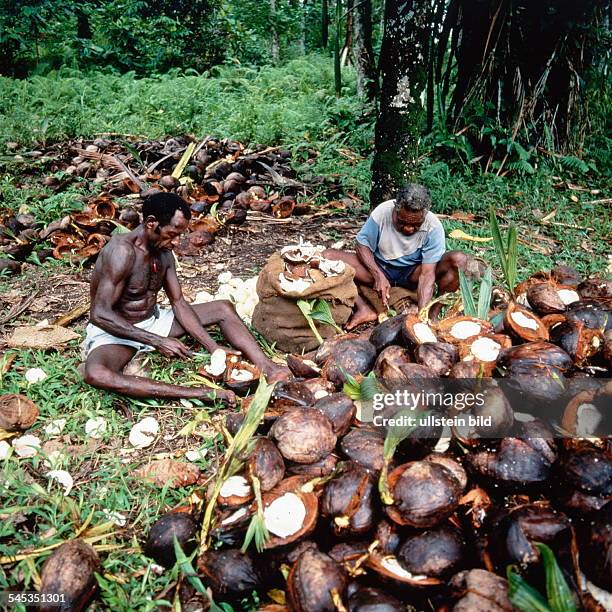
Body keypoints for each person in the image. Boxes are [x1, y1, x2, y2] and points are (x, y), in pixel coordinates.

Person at [82, 192, 289, 404]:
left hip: (152, 322)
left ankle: (268, 367)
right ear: (152, 223)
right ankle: (198, 394)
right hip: (116, 331)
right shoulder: (121, 252)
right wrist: (158, 341)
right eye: (172, 234)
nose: (177, 242)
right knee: (97, 373)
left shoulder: (163, 252)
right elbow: (99, 314)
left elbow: (178, 302)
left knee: (223, 308)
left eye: (180, 235)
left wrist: (213, 347)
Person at [323, 183, 467, 329]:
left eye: (416, 224)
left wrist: (421, 317)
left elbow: (427, 274)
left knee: (459, 260)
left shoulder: (433, 227)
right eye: (402, 222)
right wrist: (378, 275)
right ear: (396, 209)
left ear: (424, 215)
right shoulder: (382, 212)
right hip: (380, 266)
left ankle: (431, 317)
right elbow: (361, 245)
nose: (409, 228)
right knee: (327, 257)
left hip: (413, 273)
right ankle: (363, 307)